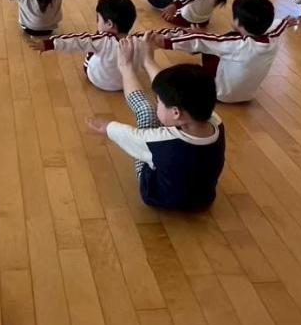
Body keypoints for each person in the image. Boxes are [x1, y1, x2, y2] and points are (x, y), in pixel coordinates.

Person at [87, 36, 225, 210]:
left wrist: (107, 127)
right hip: (203, 200)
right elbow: (172, 91)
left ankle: (127, 68)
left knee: (145, 111)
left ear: (176, 112)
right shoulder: (215, 122)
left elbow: (130, 135)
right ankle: (145, 62)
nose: (157, 103)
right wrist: (148, 60)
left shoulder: (160, 141)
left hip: (157, 196)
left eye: (159, 102)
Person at [151, 0, 295, 102]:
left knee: (212, 43)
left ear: (238, 22)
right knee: (216, 41)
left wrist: (166, 43)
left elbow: (201, 40)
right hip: (247, 95)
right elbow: (277, 27)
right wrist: (286, 21)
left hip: (219, 94)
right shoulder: (273, 39)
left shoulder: (236, 44)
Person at [28, 0, 136, 91]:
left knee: (99, 36)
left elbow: (76, 41)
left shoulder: (102, 40)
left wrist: (49, 44)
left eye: (98, 19)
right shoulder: (140, 40)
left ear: (109, 23)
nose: (97, 21)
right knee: (116, 25)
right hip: (125, 83)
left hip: (97, 79)